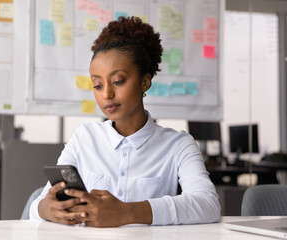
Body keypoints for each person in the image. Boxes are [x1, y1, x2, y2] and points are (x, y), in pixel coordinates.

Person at [29, 16, 220, 227]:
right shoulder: (85, 137)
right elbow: (40, 201)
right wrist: (45, 208)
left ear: (145, 82)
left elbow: (207, 204)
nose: (107, 94)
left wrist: (126, 213)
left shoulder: (178, 145)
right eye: (98, 85)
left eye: (118, 81)